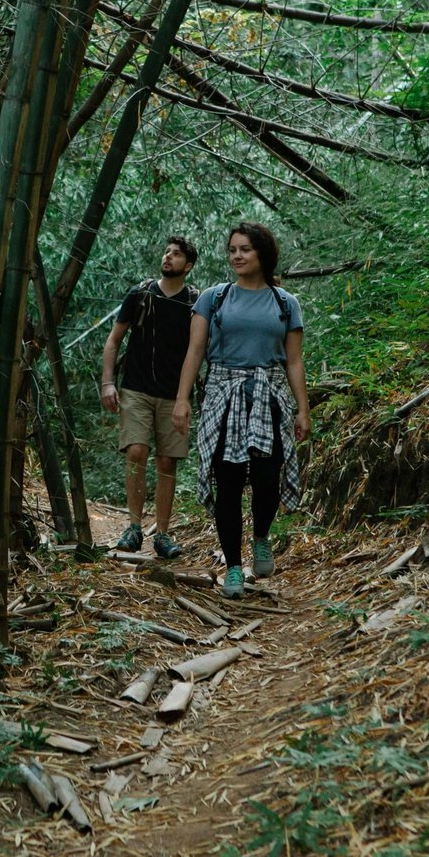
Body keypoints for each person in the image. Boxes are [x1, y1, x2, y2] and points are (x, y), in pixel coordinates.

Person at [171, 223, 310, 598]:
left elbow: (294, 362)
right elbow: (195, 351)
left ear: (262, 253)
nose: (236, 256)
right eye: (232, 249)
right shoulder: (214, 299)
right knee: (228, 482)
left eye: (245, 249)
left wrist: (302, 409)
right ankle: (233, 566)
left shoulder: (284, 303)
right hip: (223, 394)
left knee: (268, 476)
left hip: (270, 393)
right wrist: (182, 399)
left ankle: (261, 535)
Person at [101, 237, 199, 559]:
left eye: (176, 254)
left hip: (174, 394)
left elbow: (200, 351)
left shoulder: (194, 303)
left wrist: (188, 397)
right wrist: (108, 383)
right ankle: (133, 526)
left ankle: (163, 533)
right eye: (166, 251)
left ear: (188, 265)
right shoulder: (141, 294)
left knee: (167, 460)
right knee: (137, 452)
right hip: (136, 388)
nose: (168, 257)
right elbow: (114, 340)